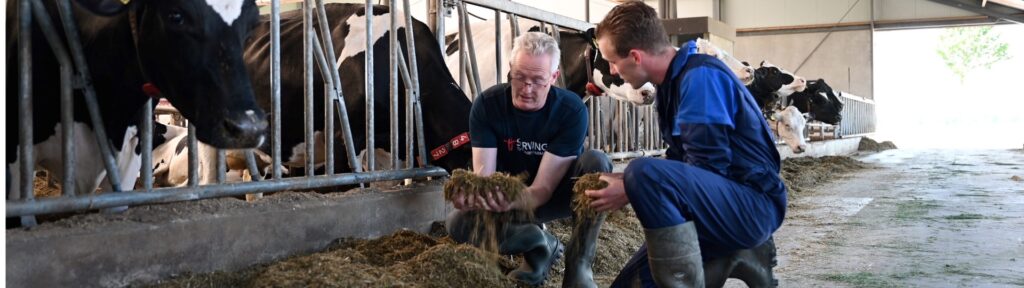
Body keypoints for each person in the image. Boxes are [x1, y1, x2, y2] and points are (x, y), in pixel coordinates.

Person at [585, 2, 787, 287]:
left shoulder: (700, 78)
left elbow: (708, 168)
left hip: (752, 205)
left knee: (642, 172)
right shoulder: (671, 83)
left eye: (612, 61)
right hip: (719, 201)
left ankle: (735, 250)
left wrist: (632, 185)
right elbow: (685, 163)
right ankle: (724, 255)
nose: (613, 71)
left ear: (635, 56)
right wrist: (624, 182)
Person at [446, 31, 613, 287]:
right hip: (506, 196)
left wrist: (507, 199)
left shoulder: (571, 110)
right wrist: (474, 195)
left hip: (552, 196)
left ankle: (579, 264)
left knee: (596, 164)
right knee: (458, 225)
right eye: (519, 77)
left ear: (554, 77)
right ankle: (540, 246)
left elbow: (543, 189)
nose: (526, 89)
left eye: (537, 80)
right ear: (510, 69)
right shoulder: (488, 105)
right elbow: (484, 177)